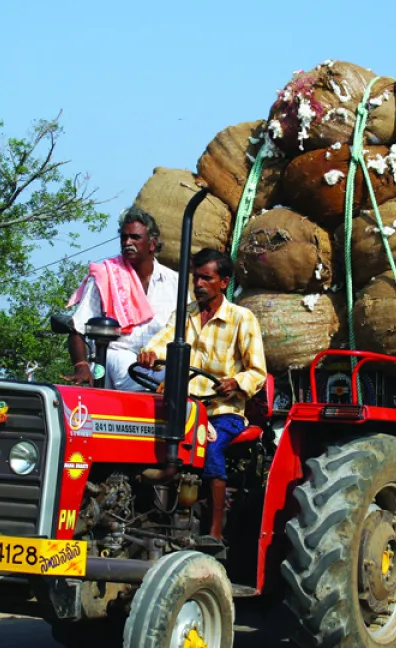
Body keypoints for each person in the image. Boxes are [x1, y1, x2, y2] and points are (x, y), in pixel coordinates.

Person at [136, 248, 267, 546]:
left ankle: (216, 531)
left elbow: (257, 373)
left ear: (224, 282)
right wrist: (150, 354)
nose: (199, 284)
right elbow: (163, 340)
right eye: (196, 278)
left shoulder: (242, 319)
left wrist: (236, 382)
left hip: (222, 412)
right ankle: (146, 514)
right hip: (182, 408)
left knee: (209, 448)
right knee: (141, 438)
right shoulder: (186, 315)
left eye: (207, 278)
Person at [63, 208, 179, 391]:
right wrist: (81, 366)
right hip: (116, 357)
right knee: (134, 380)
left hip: (159, 362)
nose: (127, 243)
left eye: (135, 237)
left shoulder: (174, 283)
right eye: (124, 238)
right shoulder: (105, 276)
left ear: (152, 244)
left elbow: (190, 331)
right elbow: (77, 327)